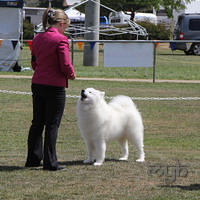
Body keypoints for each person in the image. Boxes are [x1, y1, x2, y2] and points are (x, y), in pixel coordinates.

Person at [25, 8, 76, 171]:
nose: (65, 29)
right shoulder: (61, 40)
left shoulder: (38, 38)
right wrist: (71, 74)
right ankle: (50, 162)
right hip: (55, 87)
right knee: (52, 124)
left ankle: (33, 159)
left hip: (38, 84)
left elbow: (34, 62)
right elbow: (65, 64)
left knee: (37, 123)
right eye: (65, 26)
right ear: (61, 23)